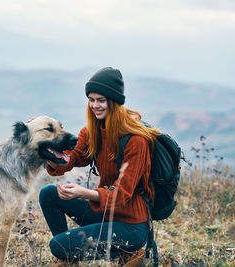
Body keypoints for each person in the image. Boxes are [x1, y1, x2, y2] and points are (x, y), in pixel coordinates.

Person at [39, 67, 161, 266]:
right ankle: (68, 256)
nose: (95, 105)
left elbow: (122, 195)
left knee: (56, 245)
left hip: (131, 226)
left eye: (101, 100)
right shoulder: (92, 131)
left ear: (114, 101)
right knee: (48, 194)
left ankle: (128, 253)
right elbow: (72, 158)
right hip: (105, 214)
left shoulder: (136, 141)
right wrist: (41, 141)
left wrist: (85, 193)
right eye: (91, 99)